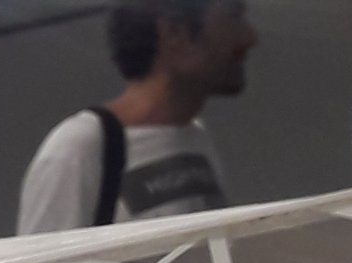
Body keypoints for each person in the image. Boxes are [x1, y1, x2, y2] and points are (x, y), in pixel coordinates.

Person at [17, 0, 259, 235]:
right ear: (174, 33)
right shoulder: (79, 149)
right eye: (234, 17)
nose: (250, 38)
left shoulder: (194, 136)